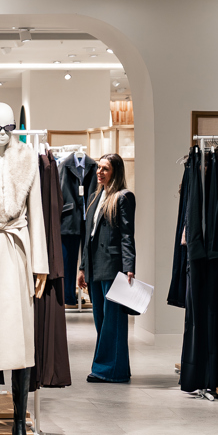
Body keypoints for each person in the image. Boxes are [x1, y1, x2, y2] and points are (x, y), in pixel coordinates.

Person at [77, 153, 135, 383]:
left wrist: (129, 267)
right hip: (94, 267)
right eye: (99, 168)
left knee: (114, 321)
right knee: (101, 320)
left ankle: (106, 370)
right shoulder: (94, 197)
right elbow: (88, 236)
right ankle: (116, 369)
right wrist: (82, 267)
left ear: (115, 172)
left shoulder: (124, 197)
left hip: (113, 267)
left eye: (105, 169)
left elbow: (127, 235)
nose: (99, 172)